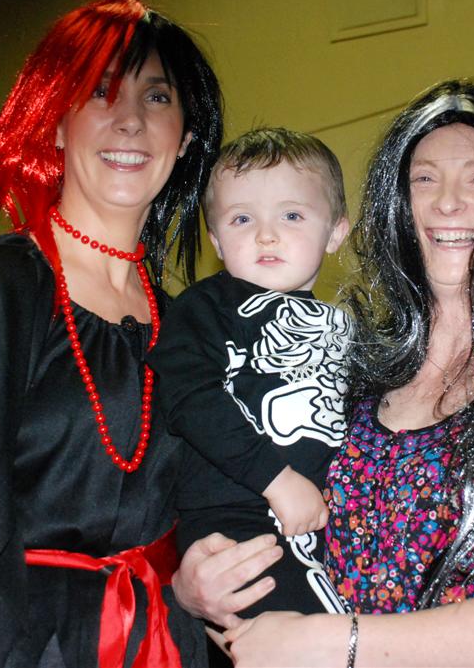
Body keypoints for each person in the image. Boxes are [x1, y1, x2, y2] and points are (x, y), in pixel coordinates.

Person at [173, 81, 474, 668]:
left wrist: (338, 644)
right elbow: (236, 498)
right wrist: (192, 590)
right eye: (424, 179)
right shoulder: (352, 363)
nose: (447, 203)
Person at [0, 0, 222, 668]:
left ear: (183, 140)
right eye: (99, 92)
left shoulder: (187, 325)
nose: (129, 120)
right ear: (56, 124)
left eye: (156, 97)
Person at [150, 128, 351, 618]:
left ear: (336, 232)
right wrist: (275, 480)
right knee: (303, 636)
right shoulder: (206, 308)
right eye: (242, 219)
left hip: (326, 527)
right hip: (236, 522)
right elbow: (189, 399)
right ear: (217, 240)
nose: (266, 234)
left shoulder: (347, 326)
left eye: (291, 215)